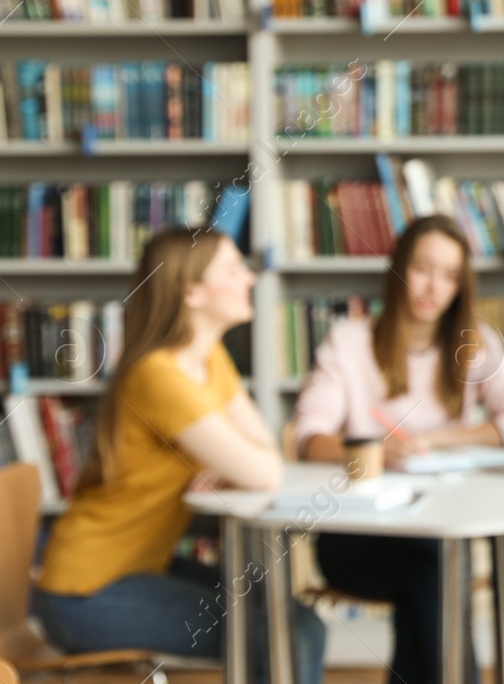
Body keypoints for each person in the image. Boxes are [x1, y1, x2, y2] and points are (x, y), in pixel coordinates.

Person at [36, 228, 326, 684]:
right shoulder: (159, 376)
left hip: (137, 569)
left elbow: (265, 452)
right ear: (190, 291)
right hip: (83, 593)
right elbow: (267, 472)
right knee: (283, 630)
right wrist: (231, 463)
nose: (249, 277)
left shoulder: (209, 359)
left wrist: (230, 463)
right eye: (233, 270)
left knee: (292, 620)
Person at [293, 214, 504, 684]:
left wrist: (436, 439)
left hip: (439, 530)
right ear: (399, 268)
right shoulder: (348, 342)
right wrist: (374, 452)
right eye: (424, 268)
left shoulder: (475, 344)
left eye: (450, 276)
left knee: (430, 574)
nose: (433, 287)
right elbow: (309, 437)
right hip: (355, 535)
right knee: (435, 572)